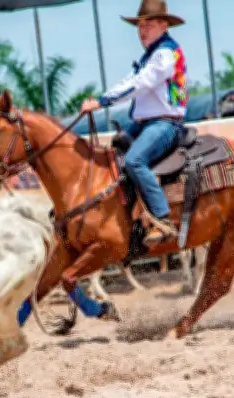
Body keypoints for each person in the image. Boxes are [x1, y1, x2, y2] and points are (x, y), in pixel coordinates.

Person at [80, 0, 188, 244]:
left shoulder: (166, 54)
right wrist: (100, 98)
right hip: (145, 124)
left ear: (163, 24)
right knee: (112, 155)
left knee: (134, 160)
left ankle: (163, 218)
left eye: (148, 25)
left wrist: (103, 102)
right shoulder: (149, 56)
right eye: (140, 26)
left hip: (165, 124)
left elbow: (140, 84)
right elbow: (129, 80)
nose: (142, 30)